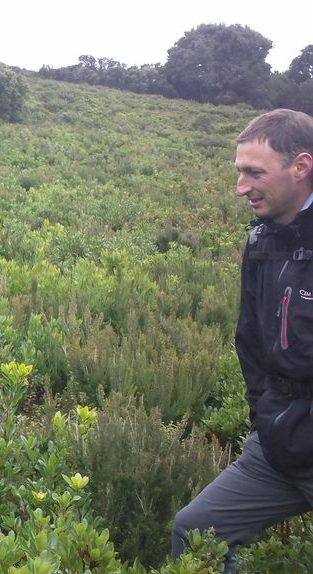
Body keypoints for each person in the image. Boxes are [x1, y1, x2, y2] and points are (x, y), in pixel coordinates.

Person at [172, 109, 313, 572]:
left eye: (255, 173)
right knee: (196, 533)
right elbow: (250, 344)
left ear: (301, 166)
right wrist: (265, 418)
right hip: (279, 443)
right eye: (239, 172)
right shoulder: (261, 242)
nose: (241, 187)